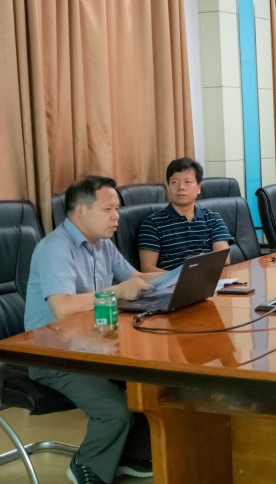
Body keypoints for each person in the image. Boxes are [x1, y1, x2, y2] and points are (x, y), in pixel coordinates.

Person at [25, 176, 156, 484]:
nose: (116, 216)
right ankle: (86, 466)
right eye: (108, 209)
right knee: (115, 410)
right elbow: (63, 307)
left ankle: (129, 455)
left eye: (117, 209)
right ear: (81, 210)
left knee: (151, 385)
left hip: (93, 342)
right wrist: (118, 291)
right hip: (53, 353)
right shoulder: (55, 248)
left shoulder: (102, 244)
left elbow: (134, 277)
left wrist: (182, 276)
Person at [138, 157, 232, 272]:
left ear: (198, 188)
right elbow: (147, 269)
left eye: (188, 181)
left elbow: (223, 259)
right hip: (172, 283)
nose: (181, 187)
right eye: (175, 182)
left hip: (210, 279)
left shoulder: (213, 219)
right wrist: (182, 277)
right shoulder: (152, 224)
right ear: (168, 187)